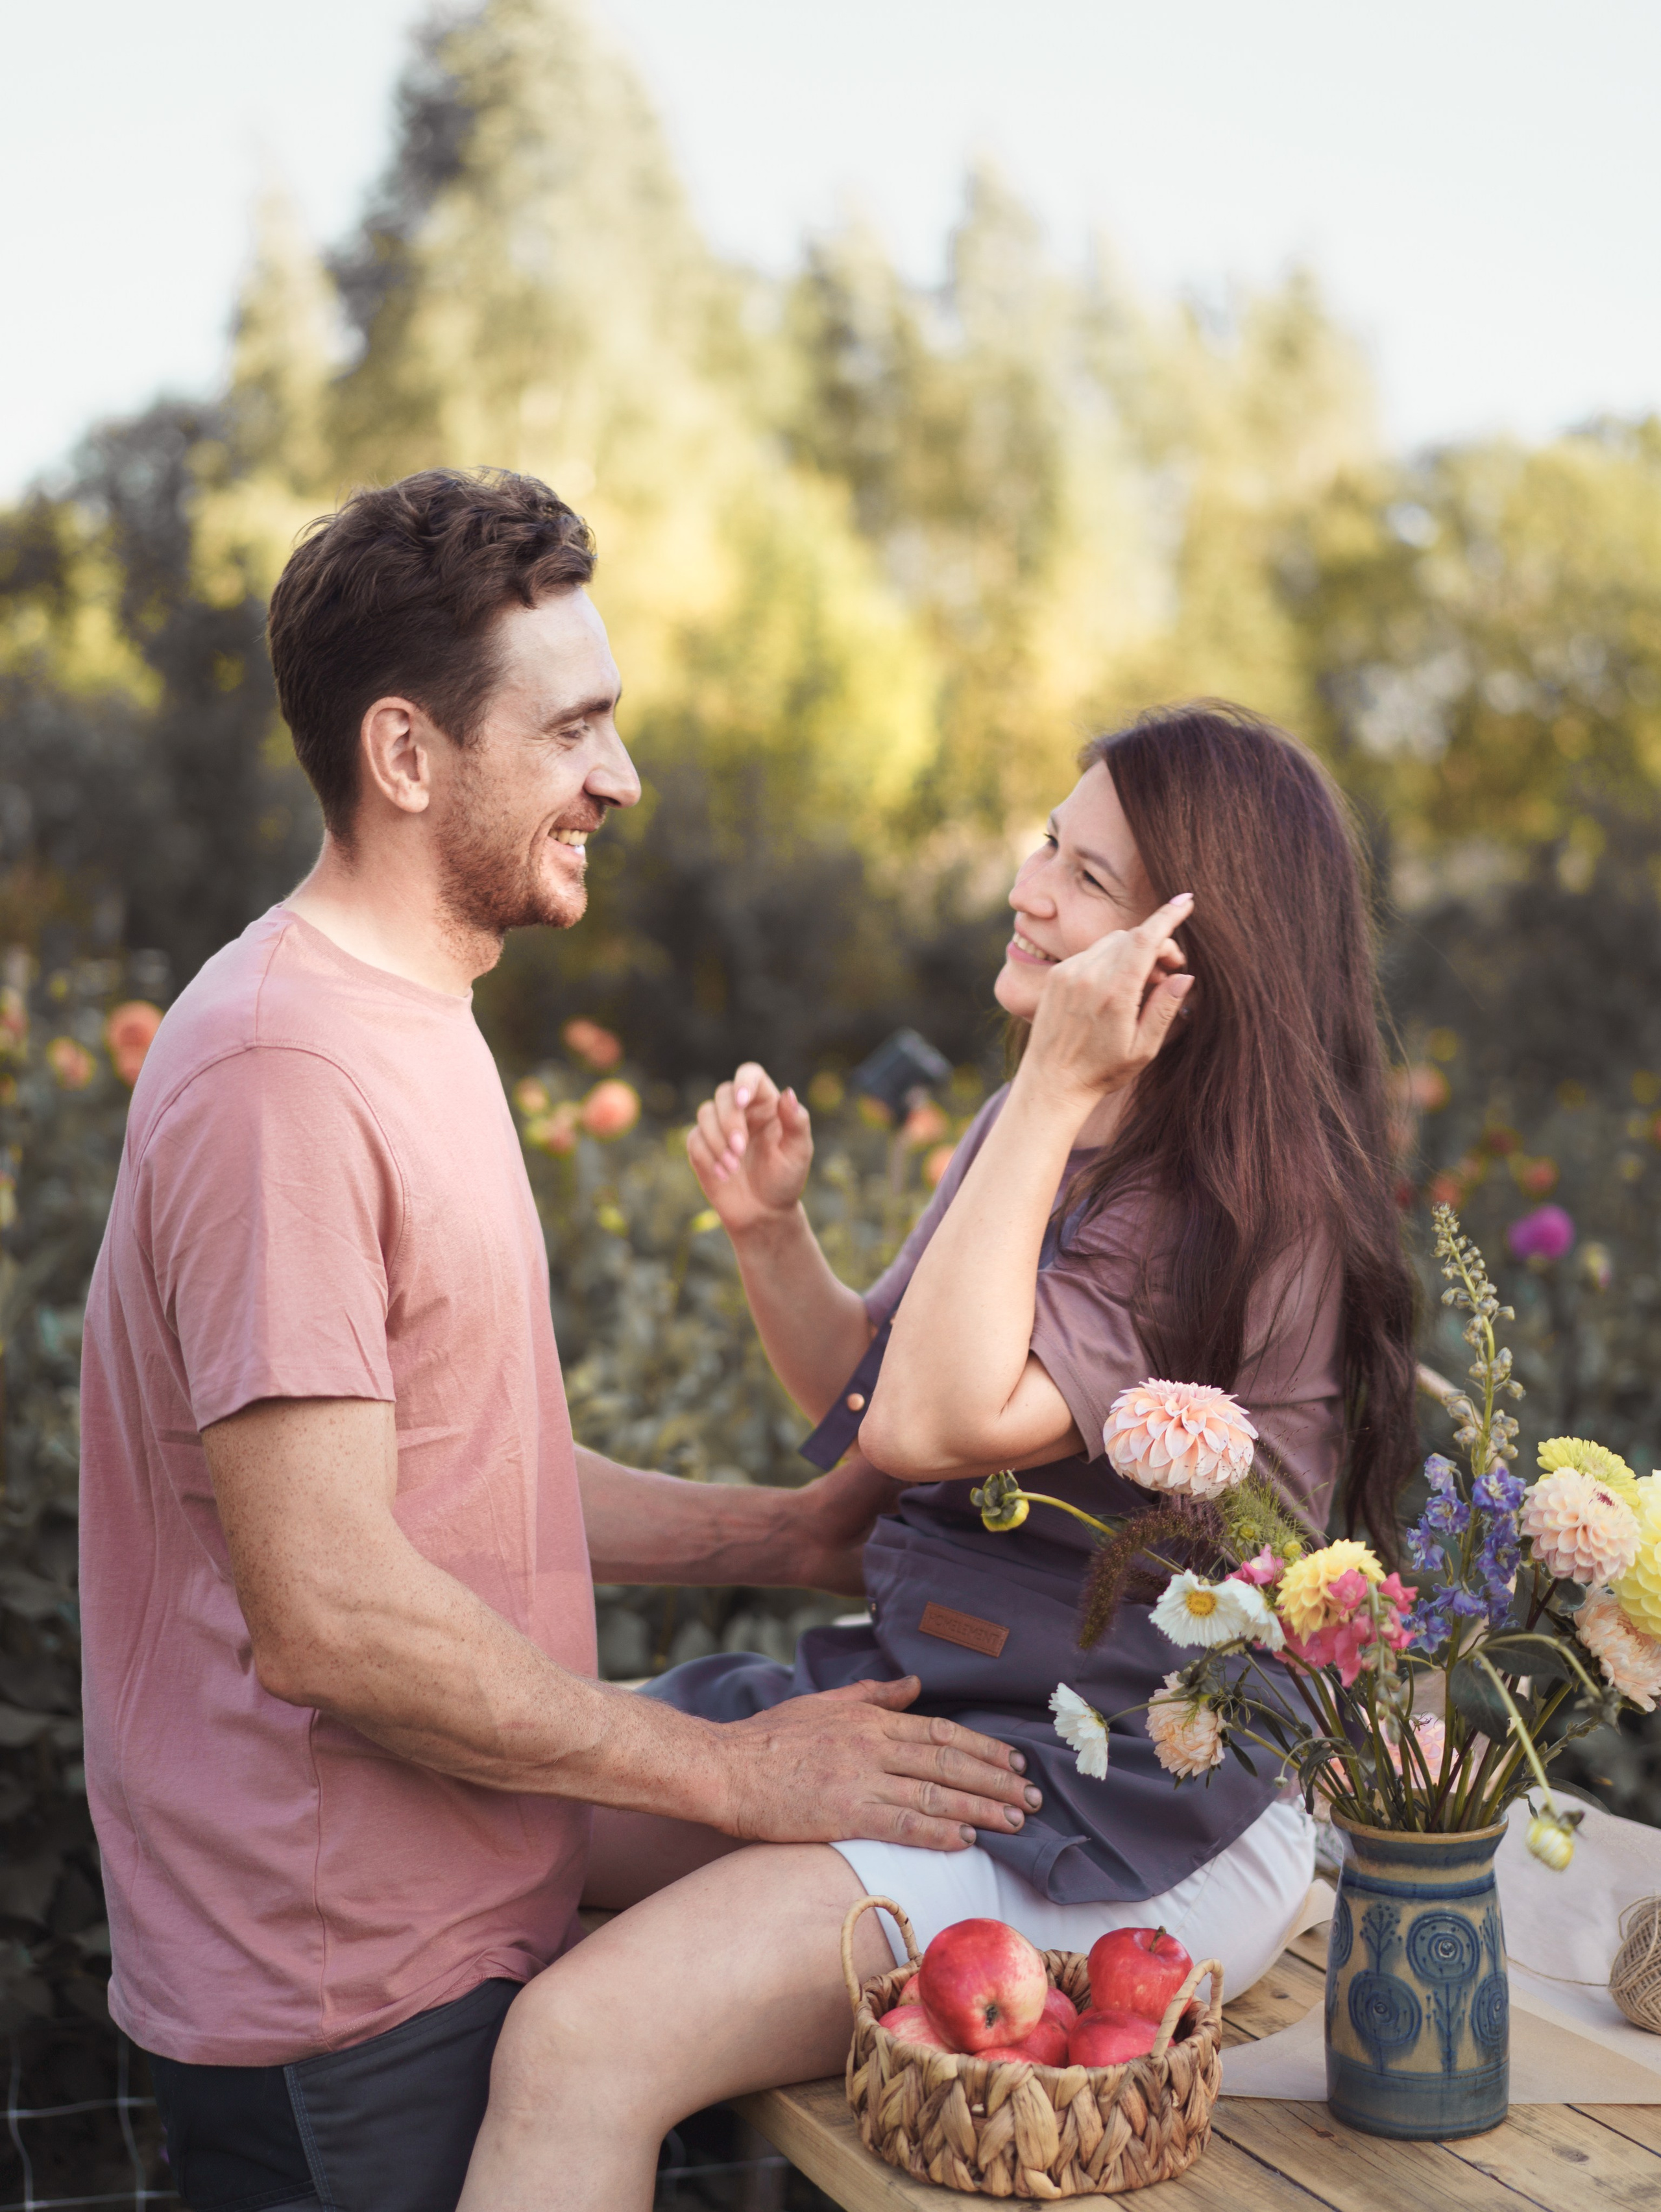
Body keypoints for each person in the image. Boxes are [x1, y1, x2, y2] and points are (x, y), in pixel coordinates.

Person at [77, 468, 1037, 2212]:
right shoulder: (284, 1074)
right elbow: (331, 1611)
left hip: (448, 1918)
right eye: (575, 727)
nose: (623, 777)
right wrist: (736, 1773)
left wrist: (784, 1534)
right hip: (337, 1993)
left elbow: (457, 1468)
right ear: (404, 757)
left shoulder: (416, 1018)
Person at [458, 703, 1420, 2211]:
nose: (1029, 886)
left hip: (1120, 1810)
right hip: (951, 1708)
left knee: (582, 2039)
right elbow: (876, 1397)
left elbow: (932, 1426)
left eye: (1086, 878)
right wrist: (775, 1237)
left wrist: (1047, 1085)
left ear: (1189, 955)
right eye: (1048, 841)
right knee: (478, 1819)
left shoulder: (1231, 1215)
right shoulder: (1034, 1127)